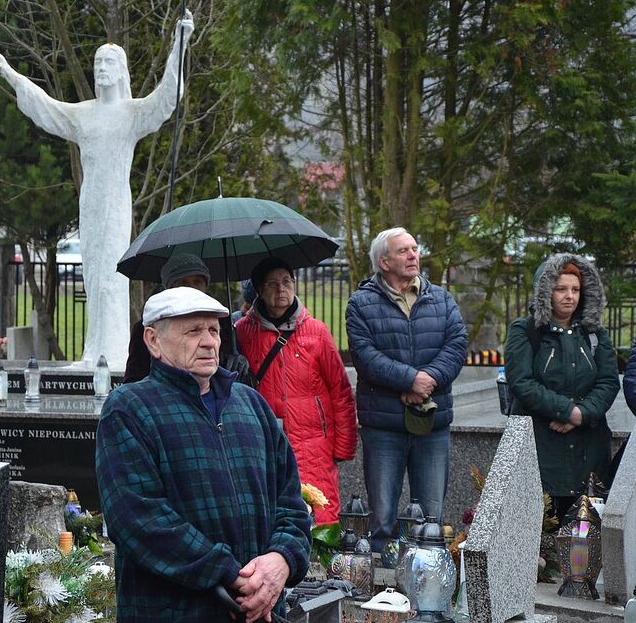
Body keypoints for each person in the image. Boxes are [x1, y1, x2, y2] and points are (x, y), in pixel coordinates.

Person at [0, 13, 194, 366]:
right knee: (94, 278)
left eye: (109, 62)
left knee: (111, 277)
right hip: (90, 206)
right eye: (97, 63)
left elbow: (165, 99)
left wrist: (179, 44)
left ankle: (113, 352)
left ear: (121, 70)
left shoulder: (131, 113)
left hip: (115, 205)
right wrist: (7, 70)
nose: (102, 68)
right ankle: (95, 351)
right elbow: (45, 107)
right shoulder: (83, 114)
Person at [96, 287, 311, 622]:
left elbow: (290, 503)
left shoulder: (251, 404)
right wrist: (229, 574)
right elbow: (138, 519)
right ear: (153, 341)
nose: (209, 341)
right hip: (174, 612)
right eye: (193, 331)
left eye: (213, 330)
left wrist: (282, 560)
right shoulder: (129, 409)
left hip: (259, 612)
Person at [345, 227, 467, 551]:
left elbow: (456, 346)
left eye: (415, 248)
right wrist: (409, 380)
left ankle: (428, 590)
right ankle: (382, 592)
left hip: (432, 425)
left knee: (432, 519)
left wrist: (428, 381)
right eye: (404, 251)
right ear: (383, 262)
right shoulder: (360, 304)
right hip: (384, 427)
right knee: (383, 518)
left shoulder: (441, 299)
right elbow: (365, 356)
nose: (414, 255)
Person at [236, 257, 357, 525]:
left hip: (314, 444)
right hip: (264, 442)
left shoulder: (316, 332)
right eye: (272, 283)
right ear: (259, 290)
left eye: (287, 282)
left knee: (321, 520)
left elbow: (340, 391)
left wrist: (343, 446)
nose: (281, 289)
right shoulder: (243, 333)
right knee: (271, 516)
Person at [504, 254, 619, 521]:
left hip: (588, 451)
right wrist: (565, 410)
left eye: (575, 289)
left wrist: (581, 414)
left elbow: (608, 381)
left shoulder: (594, 333)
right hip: (542, 447)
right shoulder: (526, 330)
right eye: (561, 289)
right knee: (541, 532)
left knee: (585, 537)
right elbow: (521, 381)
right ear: (545, 292)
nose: (570, 296)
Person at [123, 252, 239, 383]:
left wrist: (238, 359)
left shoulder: (223, 321)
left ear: (206, 286)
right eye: (183, 283)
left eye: (197, 282)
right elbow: (133, 377)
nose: (191, 288)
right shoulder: (148, 326)